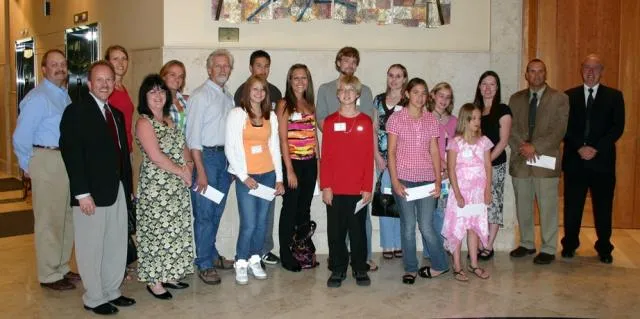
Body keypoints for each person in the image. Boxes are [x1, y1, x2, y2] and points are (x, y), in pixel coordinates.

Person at [59, 60, 136, 315]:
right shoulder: (76, 112)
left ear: (114, 84)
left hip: (117, 191)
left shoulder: (116, 114)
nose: (105, 84)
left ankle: (112, 290)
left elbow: (123, 155)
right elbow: (72, 155)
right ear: (90, 83)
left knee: (115, 244)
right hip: (90, 195)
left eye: (109, 80)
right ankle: (93, 297)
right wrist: (82, 194)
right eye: (100, 80)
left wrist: (128, 188)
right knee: (91, 247)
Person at [12, 49, 80, 291]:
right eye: (54, 64)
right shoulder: (38, 98)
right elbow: (20, 136)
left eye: (62, 64)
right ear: (43, 69)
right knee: (49, 219)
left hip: (64, 160)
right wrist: (27, 165)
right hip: (46, 159)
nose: (60, 68)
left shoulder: (63, 96)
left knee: (65, 217)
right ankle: (49, 274)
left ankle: (61, 266)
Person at [316, 46, 377, 271]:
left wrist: (367, 185)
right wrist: (326, 185)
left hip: (357, 182)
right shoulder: (330, 118)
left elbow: (367, 151)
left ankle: (361, 265)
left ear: (357, 94)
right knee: (336, 230)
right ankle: (338, 267)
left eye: (354, 61)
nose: (347, 94)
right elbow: (327, 154)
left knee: (359, 226)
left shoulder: (364, 116)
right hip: (337, 180)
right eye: (346, 60)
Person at [135, 74, 195, 299]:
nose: (158, 96)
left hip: (176, 186)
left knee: (174, 232)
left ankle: (170, 273)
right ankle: (154, 280)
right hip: (156, 188)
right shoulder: (144, 122)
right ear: (145, 97)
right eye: (152, 92)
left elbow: (183, 146)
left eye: (161, 91)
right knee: (156, 234)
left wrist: (188, 165)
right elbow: (156, 156)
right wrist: (182, 171)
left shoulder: (170, 120)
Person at [561, 54, 625, 264]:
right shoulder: (568, 96)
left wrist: (595, 148)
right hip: (575, 161)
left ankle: (604, 247)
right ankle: (570, 245)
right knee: (572, 207)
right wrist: (580, 147)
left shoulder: (614, 96)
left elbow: (617, 128)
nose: (590, 72)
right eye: (587, 67)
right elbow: (564, 127)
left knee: (603, 208)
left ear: (601, 71)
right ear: (581, 70)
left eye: (595, 68)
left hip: (602, 163)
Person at [386, 78, 448, 285]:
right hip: (403, 179)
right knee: (408, 225)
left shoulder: (431, 119)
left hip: (427, 180)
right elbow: (391, 152)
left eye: (423, 93)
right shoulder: (396, 119)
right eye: (416, 93)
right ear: (407, 94)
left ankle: (441, 264)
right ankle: (411, 268)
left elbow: (434, 151)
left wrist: (438, 180)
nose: (420, 97)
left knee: (427, 226)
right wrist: (395, 181)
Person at [508, 59, 569, 265]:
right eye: (532, 72)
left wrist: (536, 147)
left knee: (548, 206)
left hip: (546, 161)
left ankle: (549, 247)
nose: (536, 75)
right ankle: (526, 243)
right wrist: (523, 146)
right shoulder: (515, 99)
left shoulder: (559, 98)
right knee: (523, 205)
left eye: (540, 71)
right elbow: (511, 128)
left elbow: (559, 129)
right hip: (521, 161)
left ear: (546, 73)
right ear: (526, 75)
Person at [225, 75, 285, 285]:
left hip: (268, 175)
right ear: (247, 91)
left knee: (262, 223)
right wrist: (244, 176)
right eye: (255, 89)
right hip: (247, 178)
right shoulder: (237, 114)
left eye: (262, 90)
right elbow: (230, 148)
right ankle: (240, 261)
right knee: (249, 223)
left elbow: (274, 148)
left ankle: (255, 259)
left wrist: (279, 178)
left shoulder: (271, 116)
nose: (259, 93)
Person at [186, 49, 236, 284]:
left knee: (216, 212)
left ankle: (212, 254)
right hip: (205, 160)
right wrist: (201, 173)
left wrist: (233, 166)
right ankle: (204, 263)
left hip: (224, 162)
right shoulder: (200, 96)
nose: (222, 70)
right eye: (218, 66)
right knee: (204, 215)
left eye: (226, 66)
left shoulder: (228, 96)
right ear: (208, 69)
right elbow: (193, 138)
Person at [234, 50, 283, 265]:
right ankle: (243, 258)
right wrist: (241, 172)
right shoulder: (240, 94)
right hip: (246, 170)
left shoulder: (275, 92)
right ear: (251, 68)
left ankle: (261, 251)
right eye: (259, 66)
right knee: (250, 220)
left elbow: (274, 139)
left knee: (265, 217)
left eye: (266, 66)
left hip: (268, 169)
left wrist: (279, 174)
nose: (263, 70)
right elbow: (236, 140)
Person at [441, 103, 493, 282]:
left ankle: (474, 264)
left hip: (478, 193)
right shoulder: (455, 142)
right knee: (458, 228)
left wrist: (488, 190)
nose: (477, 122)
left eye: (479, 118)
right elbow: (451, 168)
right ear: (465, 120)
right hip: (461, 192)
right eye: (473, 119)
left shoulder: (484, 141)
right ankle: (457, 266)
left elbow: (488, 166)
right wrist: (457, 194)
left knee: (474, 228)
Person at [276, 64, 319, 272]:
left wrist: (318, 161)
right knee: (289, 210)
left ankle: (302, 251)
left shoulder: (310, 104)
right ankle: (286, 255)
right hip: (292, 163)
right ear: (289, 80)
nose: (300, 82)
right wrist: (289, 170)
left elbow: (313, 135)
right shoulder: (284, 104)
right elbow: (283, 140)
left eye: (304, 78)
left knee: (305, 209)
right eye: (296, 78)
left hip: (310, 163)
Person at [473, 71, 512, 260]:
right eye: (484, 84)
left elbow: (503, 141)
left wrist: (486, 162)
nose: (488, 88)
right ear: (479, 87)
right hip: (474, 167)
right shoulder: (474, 111)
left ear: (497, 88)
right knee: (479, 204)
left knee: (494, 203)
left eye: (492, 84)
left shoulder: (503, 110)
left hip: (495, 164)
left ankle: (488, 245)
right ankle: (479, 242)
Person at [373, 64, 407, 259]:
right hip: (383, 160)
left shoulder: (409, 100)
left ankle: (400, 242)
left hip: (403, 159)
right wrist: (376, 154)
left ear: (404, 79)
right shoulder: (378, 100)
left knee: (400, 201)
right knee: (385, 200)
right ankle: (387, 244)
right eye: (391, 76)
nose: (394, 80)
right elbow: (374, 129)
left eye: (398, 76)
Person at [424, 82, 457, 260]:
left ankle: (446, 247)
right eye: (441, 95)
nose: (443, 100)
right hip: (429, 172)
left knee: (445, 213)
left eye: (448, 97)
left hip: (449, 175)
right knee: (429, 214)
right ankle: (431, 251)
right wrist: (440, 164)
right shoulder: (425, 118)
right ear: (433, 96)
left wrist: (449, 168)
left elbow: (459, 146)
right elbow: (422, 147)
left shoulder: (454, 121)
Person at [105, 45, 134, 152]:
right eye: (115, 59)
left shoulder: (122, 88)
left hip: (126, 147)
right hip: (112, 149)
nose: (120, 63)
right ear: (108, 62)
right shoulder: (106, 89)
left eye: (124, 59)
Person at [161, 60, 189, 134]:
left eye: (181, 76)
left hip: (186, 145)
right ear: (163, 77)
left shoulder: (185, 101)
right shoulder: (158, 101)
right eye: (172, 75)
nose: (177, 79)